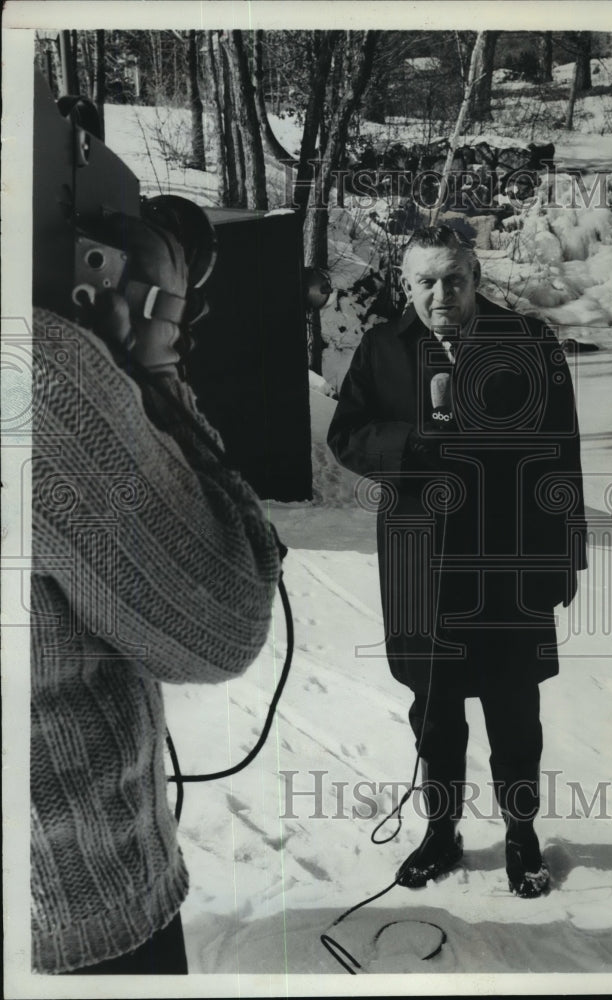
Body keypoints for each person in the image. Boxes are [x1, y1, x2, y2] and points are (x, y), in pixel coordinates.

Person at [31, 207, 283, 974]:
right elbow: (222, 621)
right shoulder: (37, 373)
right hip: (68, 906)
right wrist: (151, 377)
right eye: (171, 305)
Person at [327, 224, 587, 897]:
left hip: (508, 561)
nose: (440, 293)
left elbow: (562, 452)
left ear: (474, 278)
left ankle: (521, 837)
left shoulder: (527, 343)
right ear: (404, 284)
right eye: (424, 281)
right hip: (420, 562)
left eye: (453, 279)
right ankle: (440, 833)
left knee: (512, 710)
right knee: (434, 709)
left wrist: (563, 556)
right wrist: (415, 443)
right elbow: (346, 435)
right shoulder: (384, 347)